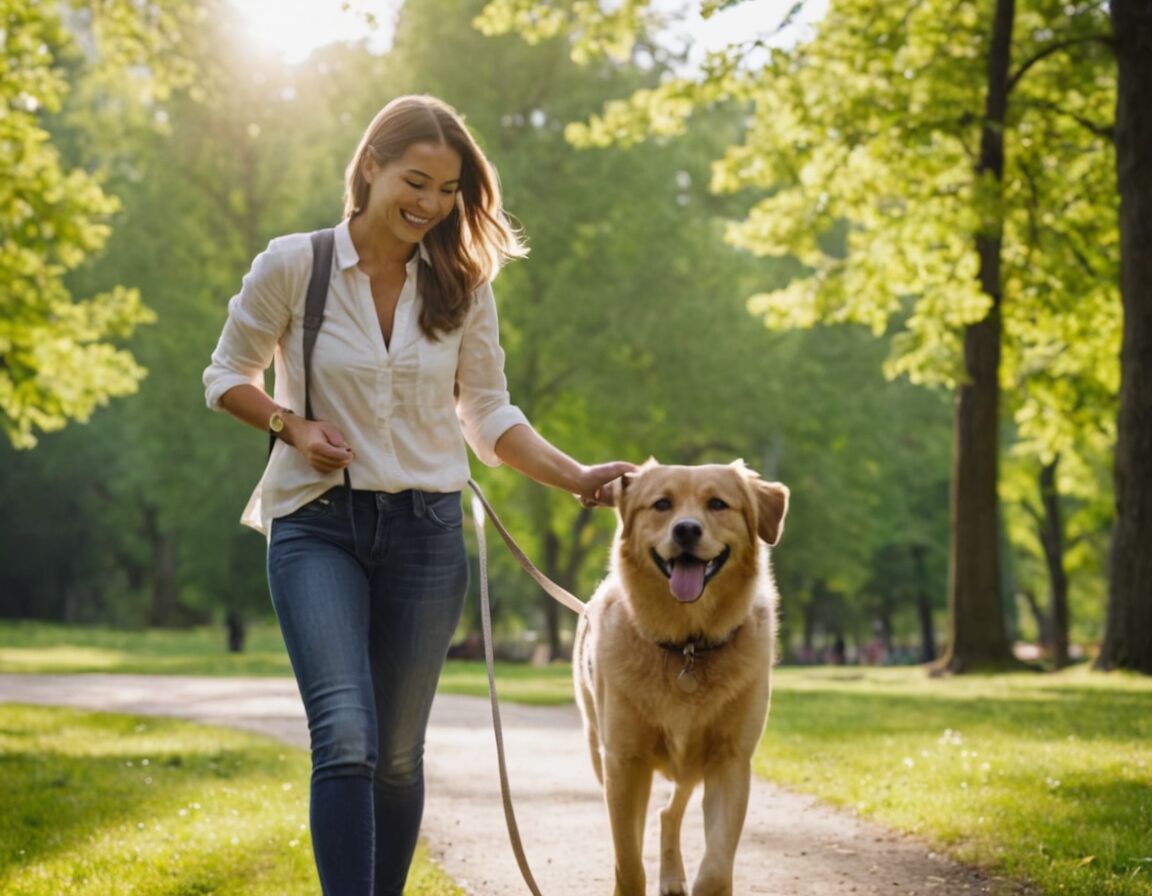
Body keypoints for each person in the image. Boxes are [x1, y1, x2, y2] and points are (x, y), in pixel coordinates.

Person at [202, 94, 633, 896]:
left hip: (427, 532)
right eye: (416, 180)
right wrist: (294, 427)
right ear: (370, 166)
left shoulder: (462, 288)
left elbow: (488, 414)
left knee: (398, 754)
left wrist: (578, 477)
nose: (430, 204)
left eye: (448, 190)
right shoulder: (297, 265)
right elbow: (226, 376)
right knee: (345, 736)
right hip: (316, 525)